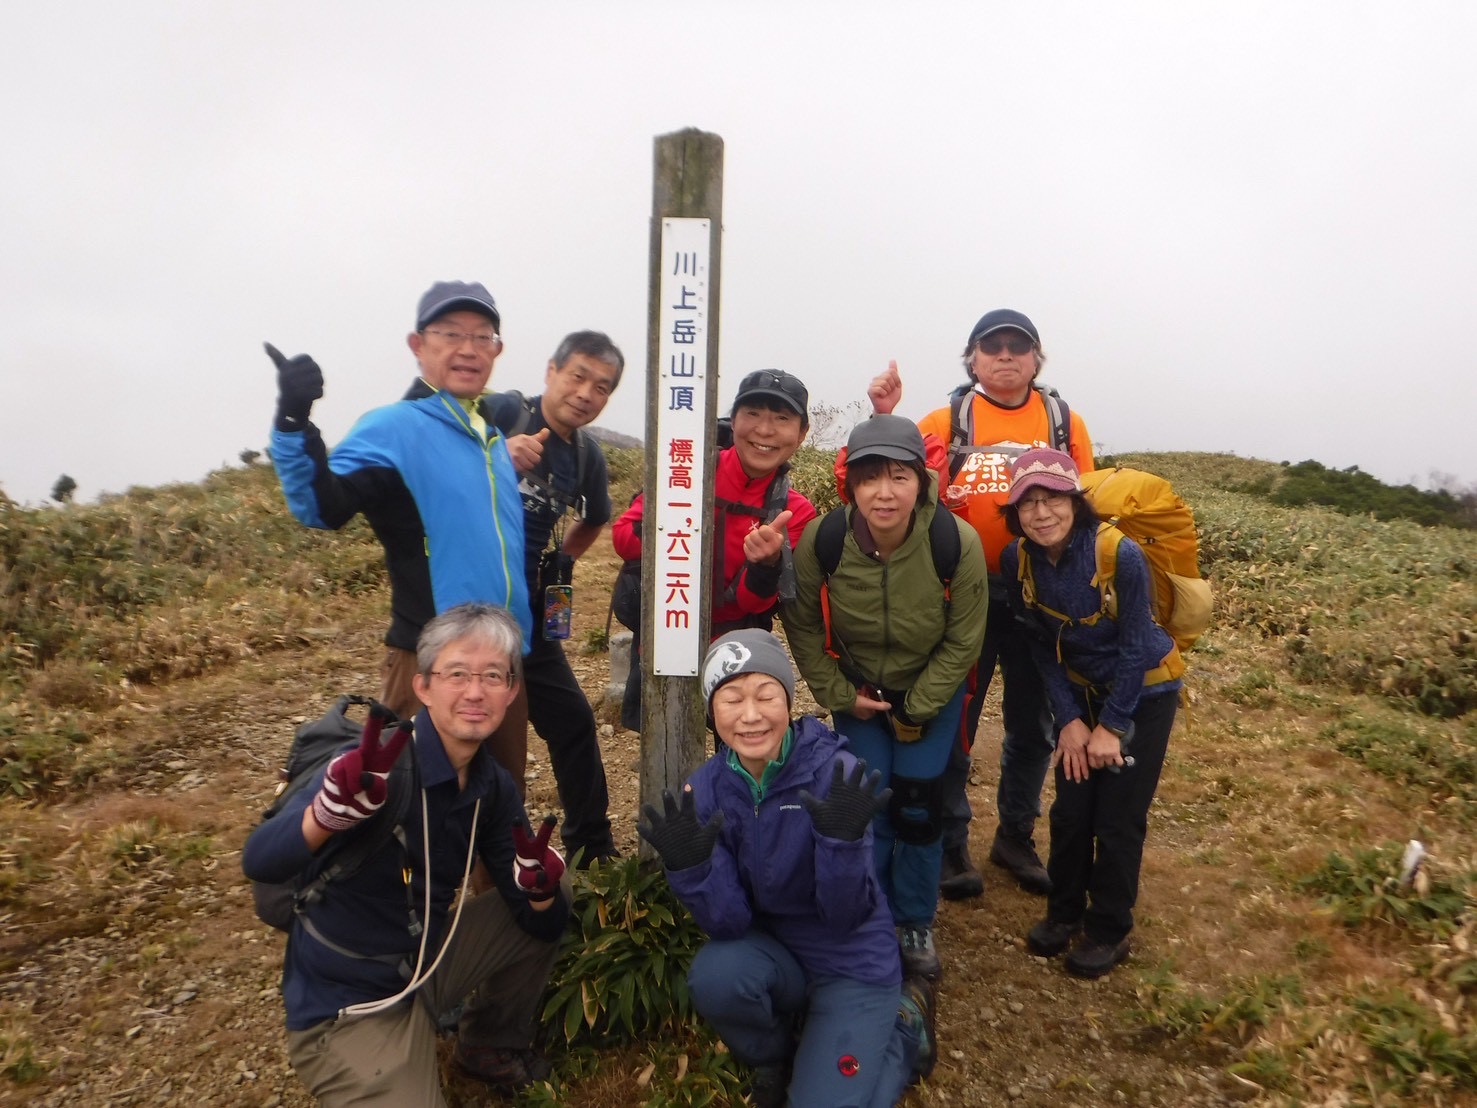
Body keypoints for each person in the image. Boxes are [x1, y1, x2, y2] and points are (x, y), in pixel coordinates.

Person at [241, 603, 572, 1103]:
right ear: (423, 687)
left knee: (561, 886)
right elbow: (260, 860)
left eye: (492, 676)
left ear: (511, 690)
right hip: (350, 1005)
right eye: (456, 674)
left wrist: (541, 893)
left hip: (428, 964)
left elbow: (539, 926)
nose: (475, 691)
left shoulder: (490, 786)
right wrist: (324, 818)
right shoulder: (375, 773)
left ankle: (486, 1043)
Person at [638, 630, 937, 1108]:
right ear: (712, 711)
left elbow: (846, 916)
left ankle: (903, 1025)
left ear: (788, 700)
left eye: (766, 696)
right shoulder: (708, 790)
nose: (751, 715)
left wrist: (840, 845)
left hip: (849, 960)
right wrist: (694, 870)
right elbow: (730, 925)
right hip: (774, 952)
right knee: (717, 974)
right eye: (732, 699)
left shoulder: (833, 775)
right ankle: (773, 1055)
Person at [266, 280, 532, 784]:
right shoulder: (393, 428)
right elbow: (323, 507)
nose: (468, 349)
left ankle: (496, 867)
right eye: (451, 333)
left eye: (482, 337)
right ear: (418, 345)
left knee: (502, 800)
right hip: (432, 657)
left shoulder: (491, 436)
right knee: (420, 807)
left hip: (503, 655)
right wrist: (294, 419)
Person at [868, 309, 1094, 900]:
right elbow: (897, 477)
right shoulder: (945, 418)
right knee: (956, 719)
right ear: (971, 358)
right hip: (961, 593)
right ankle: (947, 842)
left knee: (1035, 721)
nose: (1004, 356)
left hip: (1042, 594)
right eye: (990, 347)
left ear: (1036, 358)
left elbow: (1087, 506)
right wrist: (884, 417)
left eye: (1017, 347)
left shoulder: (1065, 422)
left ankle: (1016, 835)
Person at [782, 416, 987, 980]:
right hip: (860, 694)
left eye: (899, 476)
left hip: (931, 694)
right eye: (870, 478)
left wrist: (918, 706)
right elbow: (799, 622)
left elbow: (965, 636)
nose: (885, 492)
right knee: (862, 803)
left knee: (918, 804)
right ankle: (864, 910)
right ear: (851, 485)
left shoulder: (954, 542)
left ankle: (915, 918)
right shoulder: (825, 541)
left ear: (921, 481)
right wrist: (839, 693)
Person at [998, 449, 1180, 978]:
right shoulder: (1019, 560)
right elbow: (1041, 643)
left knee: (1118, 817)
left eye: (1051, 498)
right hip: (1080, 697)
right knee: (1072, 812)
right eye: (1027, 503)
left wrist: (1112, 727)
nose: (1041, 513)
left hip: (1143, 695)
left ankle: (1109, 928)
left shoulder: (1116, 554)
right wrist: (1071, 721)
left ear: (1075, 502)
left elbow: (1135, 645)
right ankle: (1063, 913)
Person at [477, 331, 625, 865]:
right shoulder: (500, 412)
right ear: (551, 371)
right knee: (477, 737)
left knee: (573, 723)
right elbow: (433, 462)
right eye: (578, 376)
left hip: (531, 617)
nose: (587, 393)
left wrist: (561, 560)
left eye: (602, 387)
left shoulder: (586, 457)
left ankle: (592, 849)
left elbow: (597, 517)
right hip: (468, 610)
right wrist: (494, 455)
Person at [612, 369, 818, 731]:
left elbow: (751, 604)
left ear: (801, 434)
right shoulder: (688, 469)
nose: (765, 430)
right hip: (667, 632)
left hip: (734, 646)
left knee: (741, 747)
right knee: (664, 745)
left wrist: (766, 564)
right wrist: (678, 528)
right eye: (752, 413)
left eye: (782, 419)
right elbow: (623, 537)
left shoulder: (793, 511)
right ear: (733, 420)